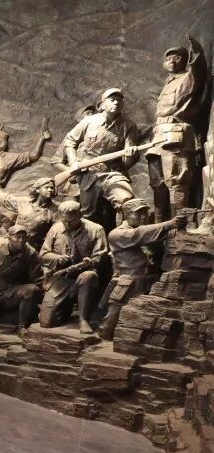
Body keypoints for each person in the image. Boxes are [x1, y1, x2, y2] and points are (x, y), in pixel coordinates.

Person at [100, 200, 188, 340]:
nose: (144, 216)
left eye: (145, 213)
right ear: (126, 215)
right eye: (139, 213)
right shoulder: (117, 234)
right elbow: (138, 235)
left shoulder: (150, 232)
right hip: (129, 281)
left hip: (151, 280)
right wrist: (168, 224)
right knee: (112, 319)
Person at [61, 88, 142, 235]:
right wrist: (73, 162)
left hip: (113, 173)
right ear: (102, 104)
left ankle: (123, 239)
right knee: (89, 215)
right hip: (89, 174)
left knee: (127, 202)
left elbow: (126, 163)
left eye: (119, 100)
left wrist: (130, 155)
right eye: (112, 100)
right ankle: (91, 245)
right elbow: (69, 140)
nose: (116, 103)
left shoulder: (129, 126)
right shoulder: (89, 121)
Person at [147, 38, 206, 222]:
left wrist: (195, 50)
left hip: (176, 134)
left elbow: (198, 67)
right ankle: (158, 228)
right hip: (158, 136)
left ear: (185, 60)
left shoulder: (188, 78)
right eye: (168, 58)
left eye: (177, 57)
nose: (171, 61)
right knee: (157, 183)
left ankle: (178, 228)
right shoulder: (168, 83)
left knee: (177, 181)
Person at [38, 200, 108, 334]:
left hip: (84, 277)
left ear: (80, 215)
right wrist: (57, 258)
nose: (67, 224)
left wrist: (90, 261)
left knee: (88, 276)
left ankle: (83, 319)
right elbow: (43, 255)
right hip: (61, 279)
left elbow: (101, 255)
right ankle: (64, 308)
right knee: (46, 322)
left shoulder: (96, 229)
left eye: (70, 221)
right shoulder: (55, 229)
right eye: (64, 221)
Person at [0, 176, 60, 251]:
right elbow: (6, 198)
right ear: (37, 190)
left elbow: (57, 232)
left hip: (30, 248)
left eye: (52, 188)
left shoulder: (55, 210)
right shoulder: (24, 202)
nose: (50, 190)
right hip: (12, 242)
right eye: (46, 187)